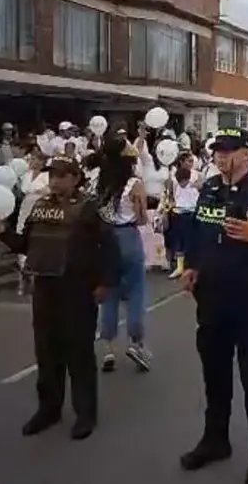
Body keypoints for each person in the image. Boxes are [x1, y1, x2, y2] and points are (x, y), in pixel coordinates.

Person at [179, 128, 248, 484]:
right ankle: (215, 440)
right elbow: (199, 231)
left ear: (247, 153)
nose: (222, 156)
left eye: (230, 150)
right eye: (217, 150)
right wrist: (192, 266)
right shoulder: (209, 187)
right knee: (215, 376)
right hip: (212, 300)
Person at [0, 157, 118, 440]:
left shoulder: (88, 209)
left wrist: (105, 282)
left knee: (79, 354)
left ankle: (85, 414)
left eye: (61, 176)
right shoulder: (39, 206)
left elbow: (109, 247)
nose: (55, 181)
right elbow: (25, 244)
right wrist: (1, 229)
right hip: (46, 286)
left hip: (78, 288)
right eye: (51, 176)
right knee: (46, 352)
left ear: (75, 178)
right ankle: (48, 409)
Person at [95, 138, 152, 374]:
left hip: (105, 239)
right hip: (128, 238)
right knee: (136, 291)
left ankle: (108, 349)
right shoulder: (135, 184)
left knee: (109, 292)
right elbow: (141, 218)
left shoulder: (99, 183)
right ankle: (136, 343)